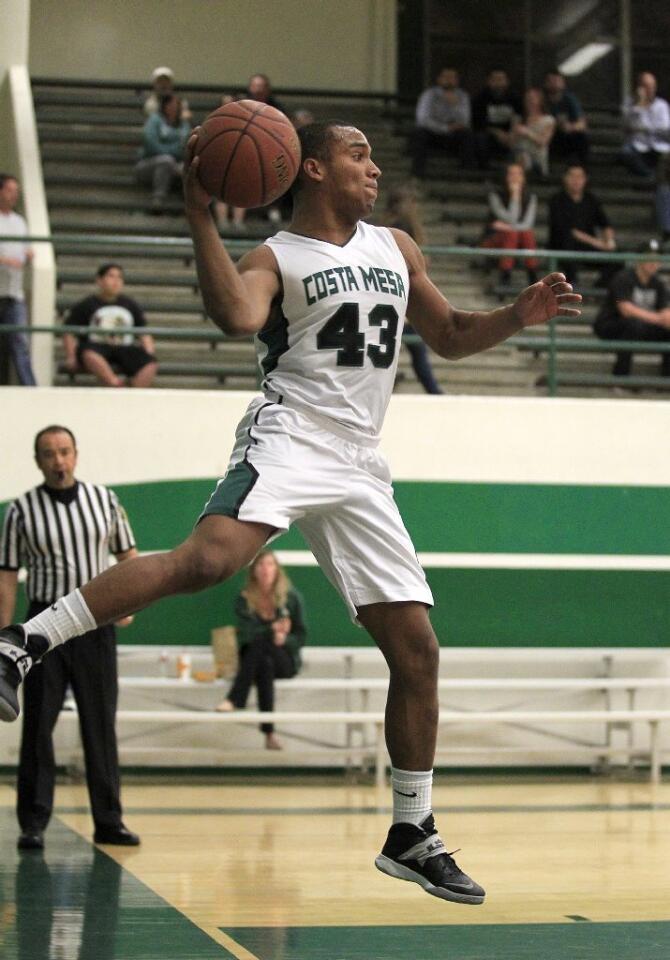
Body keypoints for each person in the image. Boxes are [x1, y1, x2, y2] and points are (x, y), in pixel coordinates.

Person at [0, 120, 580, 903]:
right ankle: (24, 641)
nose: (373, 166)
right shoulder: (275, 256)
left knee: (418, 650)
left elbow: (447, 336)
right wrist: (200, 212)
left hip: (360, 462)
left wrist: (519, 314)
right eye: (357, 153)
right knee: (205, 562)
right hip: (292, 433)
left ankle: (412, 830)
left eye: (374, 153)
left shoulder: (398, 248)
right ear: (309, 166)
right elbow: (237, 318)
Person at [0, 425, 140, 850]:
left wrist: (128, 602)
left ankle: (109, 820)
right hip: (42, 630)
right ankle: (34, 822)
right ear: (38, 460)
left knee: (100, 723)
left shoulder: (105, 501)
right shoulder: (20, 511)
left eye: (64, 452)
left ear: (76, 455)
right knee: (39, 726)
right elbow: (7, 577)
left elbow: (128, 555)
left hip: (94, 625)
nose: (58, 461)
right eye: (48, 454)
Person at [215, 551, 306, 751]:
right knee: (264, 661)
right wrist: (271, 629)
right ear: (253, 571)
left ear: (277, 569)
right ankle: (269, 734)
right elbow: (245, 633)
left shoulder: (292, 598)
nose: (265, 570)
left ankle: (235, 698)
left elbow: (301, 636)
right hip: (256, 662)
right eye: (261, 565)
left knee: (260, 647)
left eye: (270, 565)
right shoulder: (245, 598)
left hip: (285, 659)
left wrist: (285, 639)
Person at [384, 184, 443, 393]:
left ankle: (433, 391)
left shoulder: (389, 228)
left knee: (410, 349)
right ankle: (435, 392)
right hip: (403, 297)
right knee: (415, 350)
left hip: (400, 296)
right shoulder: (403, 229)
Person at [63, 263, 158, 388]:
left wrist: (149, 353)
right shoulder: (87, 304)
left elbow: (144, 333)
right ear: (99, 280)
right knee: (89, 354)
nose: (116, 281)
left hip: (124, 347)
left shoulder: (130, 304)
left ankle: (134, 393)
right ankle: (116, 384)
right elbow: (69, 331)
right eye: (111, 276)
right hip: (96, 346)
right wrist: (71, 356)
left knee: (150, 364)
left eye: (119, 277)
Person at [593, 239, 670, 377]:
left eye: (657, 259)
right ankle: (621, 377)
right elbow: (625, 309)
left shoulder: (658, 284)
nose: (653, 262)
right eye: (649, 258)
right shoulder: (622, 278)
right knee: (632, 325)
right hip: (610, 323)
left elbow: (664, 311)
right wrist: (659, 318)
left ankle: (666, 379)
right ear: (639, 259)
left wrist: (665, 319)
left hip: (642, 324)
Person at [548, 164, 617, 287]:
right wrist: (599, 243)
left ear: (585, 179)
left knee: (617, 257)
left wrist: (609, 241)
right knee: (568, 244)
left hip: (588, 247)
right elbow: (570, 231)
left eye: (580, 176)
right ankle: (572, 284)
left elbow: (605, 224)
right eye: (572, 176)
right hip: (564, 245)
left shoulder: (591, 199)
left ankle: (598, 289)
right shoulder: (556, 200)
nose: (576, 180)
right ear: (565, 178)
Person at [0, 173, 36, 386]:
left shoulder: (19, 221)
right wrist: (5, 259)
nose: (15, 195)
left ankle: (30, 389)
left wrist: (28, 254)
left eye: (16, 191)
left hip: (14, 293)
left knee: (20, 342)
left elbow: (24, 248)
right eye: (11, 190)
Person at [410, 68, 474, 178]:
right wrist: (445, 128)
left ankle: (466, 173)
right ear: (439, 79)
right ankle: (418, 173)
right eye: (446, 77)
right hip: (433, 134)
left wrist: (454, 106)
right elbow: (422, 119)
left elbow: (465, 120)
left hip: (454, 135)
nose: (449, 80)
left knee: (468, 135)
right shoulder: (429, 95)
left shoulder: (463, 96)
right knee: (419, 134)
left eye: (452, 77)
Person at [481, 162, 538, 286]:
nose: (515, 177)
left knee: (526, 234)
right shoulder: (495, 195)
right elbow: (511, 218)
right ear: (505, 177)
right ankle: (505, 275)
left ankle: (532, 275)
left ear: (524, 178)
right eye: (511, 174)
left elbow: (528, 224)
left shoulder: (531, 197)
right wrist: (515, 196)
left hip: (519, 238)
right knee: (512, 234)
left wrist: (507, 226)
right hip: (494, 239)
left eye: (519, 174)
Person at [135, 93, 192, 213]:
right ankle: (158, 200)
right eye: (171, 104)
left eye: (177, 105)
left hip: (176, 166)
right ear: (164, 106)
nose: (174, 107)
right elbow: (151, 145)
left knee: (189, 167)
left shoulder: (184, 125)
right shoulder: (154, 120)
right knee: (166, 160)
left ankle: (188, 203)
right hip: (147, 165)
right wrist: (173, 151)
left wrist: (170, 150)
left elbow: (186, 147)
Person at [621, 71, 670, 178]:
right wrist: (639, 105)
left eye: (653, 86)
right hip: (638, 145)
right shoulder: (629, 103)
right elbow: (628, 126)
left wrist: (644, 129)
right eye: (647, 86)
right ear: (639, 87)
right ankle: (649, 176)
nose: (650, 90)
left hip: (659, 146)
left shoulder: (662, 105)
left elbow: (664, 129)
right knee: (626, 153)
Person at [472, 68, 522, 169]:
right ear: (489, 81)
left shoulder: (514, 97)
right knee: (480, 138)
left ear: (507, 81)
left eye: (501, 79)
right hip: (490, 133)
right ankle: (484, 169)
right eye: (494, 79)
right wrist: (498, 133)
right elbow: (478, 123)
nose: (498, 83)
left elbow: (519, 117)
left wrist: (512, 134)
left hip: (511, 133)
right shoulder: (480, 98)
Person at [543, 69, 590, 165]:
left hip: (564, 136)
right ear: (546, 83)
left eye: (557, 81)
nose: (555, 84)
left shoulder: (569, 99)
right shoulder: (542, 100)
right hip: (547, 137)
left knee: (581, 138)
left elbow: (582, 124)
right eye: (551, 81)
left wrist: (570, 127)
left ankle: (581, 169)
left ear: (563, 83)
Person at [510, 87, 555, 178]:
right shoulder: (517, 119)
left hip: (537, 155)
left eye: (532, 98)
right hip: (519, 154)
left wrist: (527, 132)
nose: (529, 101)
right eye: (527, 99)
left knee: (527, 159)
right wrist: (514, 134)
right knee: (522, 156)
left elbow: (543, 141)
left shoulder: (548, 120)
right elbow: (511, 142)